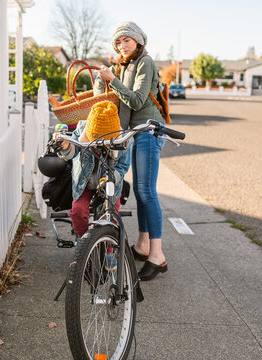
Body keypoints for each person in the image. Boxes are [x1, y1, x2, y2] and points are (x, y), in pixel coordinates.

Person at [94, 21, 168, 281]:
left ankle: (157, 256)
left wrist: (112, 80)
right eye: (118, 42)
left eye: (126, 41)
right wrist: (105, 80)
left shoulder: (145, 62)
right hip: (136, 132)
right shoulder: (124, 65)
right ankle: (144, 245)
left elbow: (136, 100)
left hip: (149, 129)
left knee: (147, 192)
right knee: (140, 190)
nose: (122, 46)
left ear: (137, 41)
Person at [56, 101, 131, 248]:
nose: (97, 145)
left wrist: (111, 178)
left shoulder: (123, 139)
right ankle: (83, 240)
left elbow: (122, 166)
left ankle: (110, 250)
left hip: (110, 183)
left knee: (111, 216)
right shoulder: (82, 128)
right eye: (94, 140)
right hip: (85, 182)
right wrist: (65, 147)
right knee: (78, 210)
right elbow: (73, 153)